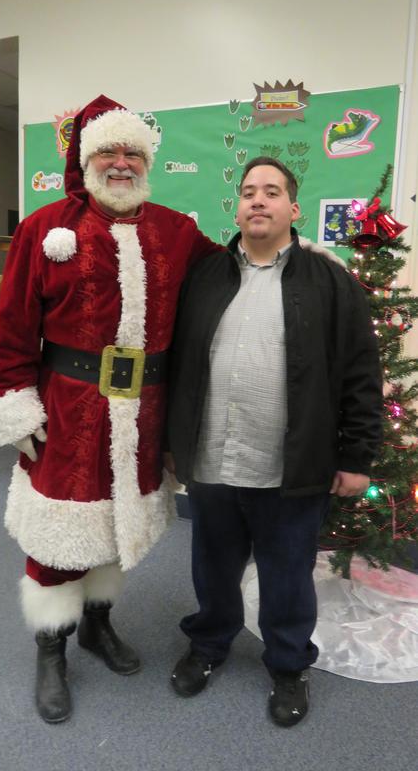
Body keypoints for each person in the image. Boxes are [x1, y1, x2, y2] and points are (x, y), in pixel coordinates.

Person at [0, 94, 218, 723]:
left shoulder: (176, 230)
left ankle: (96, 624)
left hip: (143, 413)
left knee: (117, 524)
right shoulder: (44, 227)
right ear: (87, 160)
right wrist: (15, 405)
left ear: (147, 160)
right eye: (108, 152)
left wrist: (299, 267)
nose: (121, 162)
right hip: (66, 406)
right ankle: (51, 649)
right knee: (56, 531)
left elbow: (227, 280)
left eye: (132, 151)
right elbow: (11, 331)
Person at [166, 156, 383, 727]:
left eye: (271, 191)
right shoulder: (206, 276)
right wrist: (170, 445)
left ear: (294, 208)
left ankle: (288, 665)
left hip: (291, 466)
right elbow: (181, 365)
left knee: (288, 576)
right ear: (237, 207)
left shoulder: (329, 279)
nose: (257, 200)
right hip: (213, 461)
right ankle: (209, 644)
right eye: (248, 191)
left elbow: (361, 370)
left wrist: (357, 455)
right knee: (212, 569)